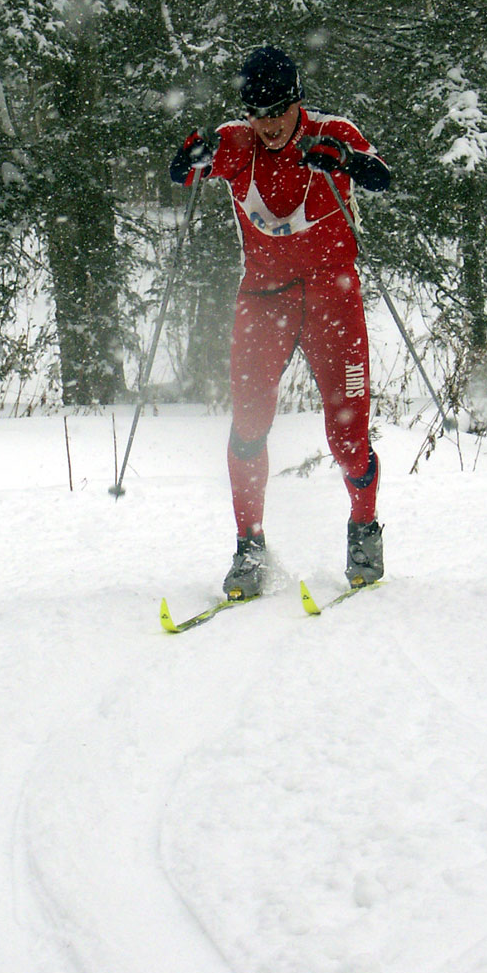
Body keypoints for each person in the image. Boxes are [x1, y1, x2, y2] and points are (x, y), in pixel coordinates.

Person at [170, 45, 390, 599]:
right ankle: (249, 545)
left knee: (347, 437)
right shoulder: (238, 144)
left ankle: (363, 527)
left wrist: (342, 158)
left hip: (332, 295)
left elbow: (381, 176)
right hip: (264, 297)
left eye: (278, 112)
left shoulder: (330, 132)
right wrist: (193, 155)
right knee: (248, 424)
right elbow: (184, 169)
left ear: (297, 102)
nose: (268, 125)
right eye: (257, 113)